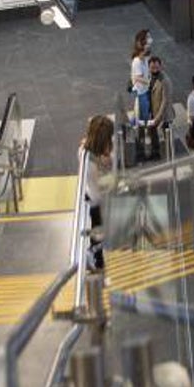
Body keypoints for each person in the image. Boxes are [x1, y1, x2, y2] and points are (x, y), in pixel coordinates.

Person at [79, 115, 114, 270]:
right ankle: (96, 260)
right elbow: (105, 185)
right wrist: (108, 165)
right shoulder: (99, 163)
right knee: (98, 233)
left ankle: (96, 258)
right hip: (98, 201)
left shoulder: (83, 151)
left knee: (96, 230)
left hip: (89, 194)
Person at [145, 55, 173, 160]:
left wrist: (157, 117)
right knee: (153, 133)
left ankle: (169, 155)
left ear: (161, 66)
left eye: (156, 67)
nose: (154, 70)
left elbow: (165, 101)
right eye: (152, 68)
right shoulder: (150, 77)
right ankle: (155, 153)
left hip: (164, 115)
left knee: (166, 136)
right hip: (153, 111)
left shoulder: (165, 81)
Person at [129, 28, 152, 127]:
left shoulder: (145, 57)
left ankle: (132, 125)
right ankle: (140, 129)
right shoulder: (137, 61)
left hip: (145, 90)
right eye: (148, 37)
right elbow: (138, 78)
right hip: (140, 92)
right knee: (144, 114)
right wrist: (150, 82)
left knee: (139, 112)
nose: (150, 40)